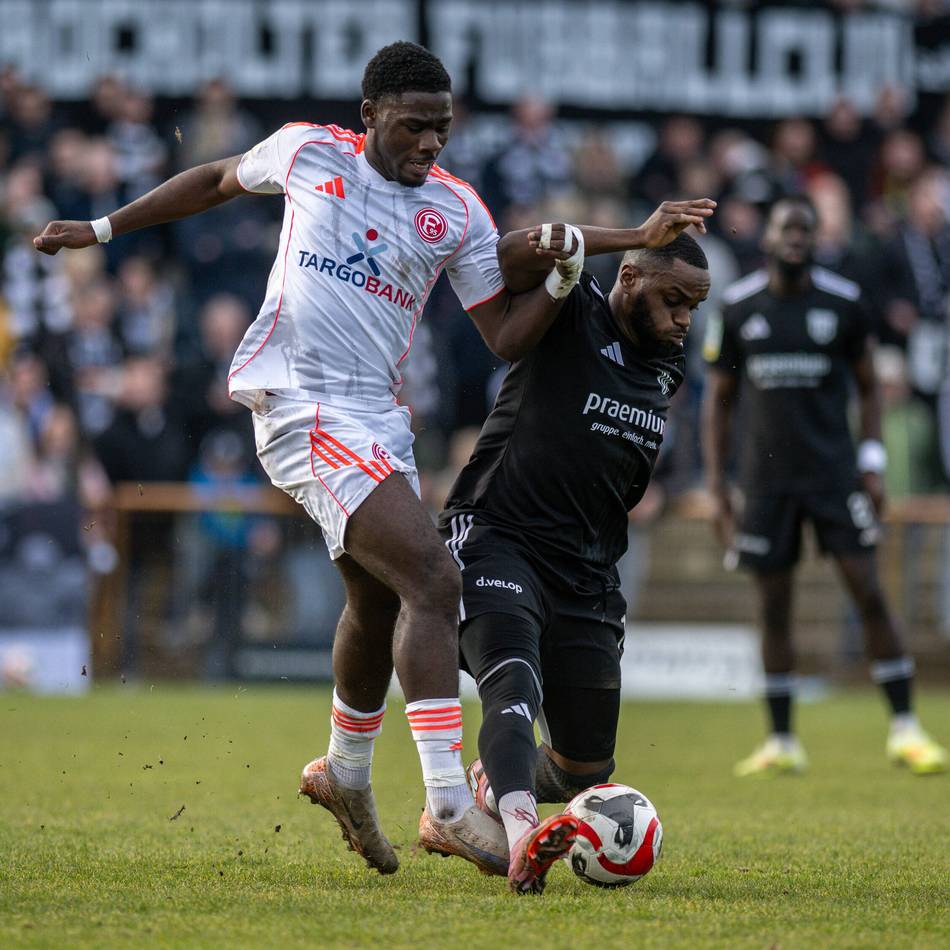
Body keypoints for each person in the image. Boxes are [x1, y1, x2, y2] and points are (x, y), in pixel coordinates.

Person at [33, 40, 717, 877]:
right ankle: (452, 808)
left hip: (377, 418)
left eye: (444, 128)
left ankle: (346, 774)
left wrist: (569, 277)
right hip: (297, 400)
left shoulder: (457, 211)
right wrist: (101, 227)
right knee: (434, 579)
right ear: (369, 117)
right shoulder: (308, 150)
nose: (431, 143)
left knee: (380, 593)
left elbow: (504, 335)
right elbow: (213, 181)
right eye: (415, 125)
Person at [439, 226, 712, 893]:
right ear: (629, 279)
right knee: (513, 684)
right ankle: (517, 832)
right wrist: (634, 233)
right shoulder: (573, 306)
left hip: (587, 570)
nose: (683, 319)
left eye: (693, 308)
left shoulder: (667, 361)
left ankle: (491, 782)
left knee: (583, 765)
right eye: (673, 299)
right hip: (498, 535)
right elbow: (498, 258)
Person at [701, 194, 947, 778]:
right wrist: (718, 486)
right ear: (767, 238)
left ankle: (906, 730)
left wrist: (872, 461)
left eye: (805, 230)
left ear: (815, 240)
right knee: (774, 605)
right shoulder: (737, 309)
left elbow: (867, 388)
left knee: (868, 589)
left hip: (835, 475)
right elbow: (719, 402)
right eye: (787, 228)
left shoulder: (843, 303)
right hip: (765, 483)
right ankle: (782, 740)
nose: (796, 237)